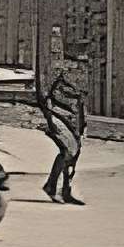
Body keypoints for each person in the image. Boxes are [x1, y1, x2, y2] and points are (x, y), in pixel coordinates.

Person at [37, 26, 89, 206]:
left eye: (81, 62)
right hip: (58, 116)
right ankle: (51, 186)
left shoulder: (80, 78)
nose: (78, 66)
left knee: (74, 154)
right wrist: (50, 116)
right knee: (68, 151)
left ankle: (66, 190)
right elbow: (47, 96)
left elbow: (81, 103)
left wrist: (83, 125)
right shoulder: (59, 76)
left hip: (73, 120)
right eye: (75, 62)